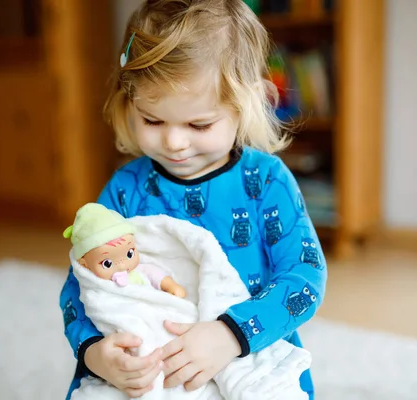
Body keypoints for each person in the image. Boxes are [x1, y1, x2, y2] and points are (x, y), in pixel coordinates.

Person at [59, 1, 327, 398]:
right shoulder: (126, 188)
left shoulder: (266, 181)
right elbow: (82, 282)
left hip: (246, 355)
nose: (174, 142)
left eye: (199, 124)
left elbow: (304, 277)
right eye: (152, 119)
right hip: (154, 366)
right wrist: (95, 352)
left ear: (246, 104)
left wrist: (229, 335)